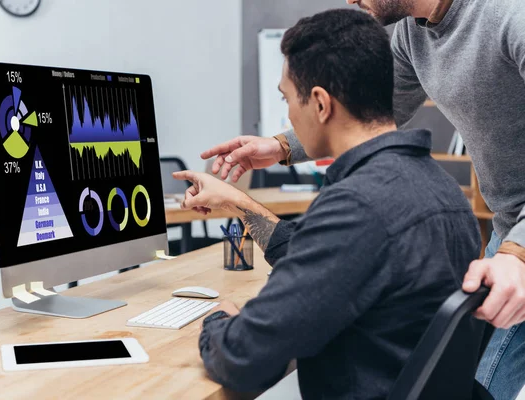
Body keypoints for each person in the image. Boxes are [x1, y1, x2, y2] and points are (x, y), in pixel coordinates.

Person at [202, 0, 525, 398]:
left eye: (287, 101)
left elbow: (247, 355)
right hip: (510, 223)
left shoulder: (512, 16)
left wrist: (216, 319)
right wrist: (277, 150)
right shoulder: (440, 195)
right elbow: (370, 106)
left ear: (319, 103)